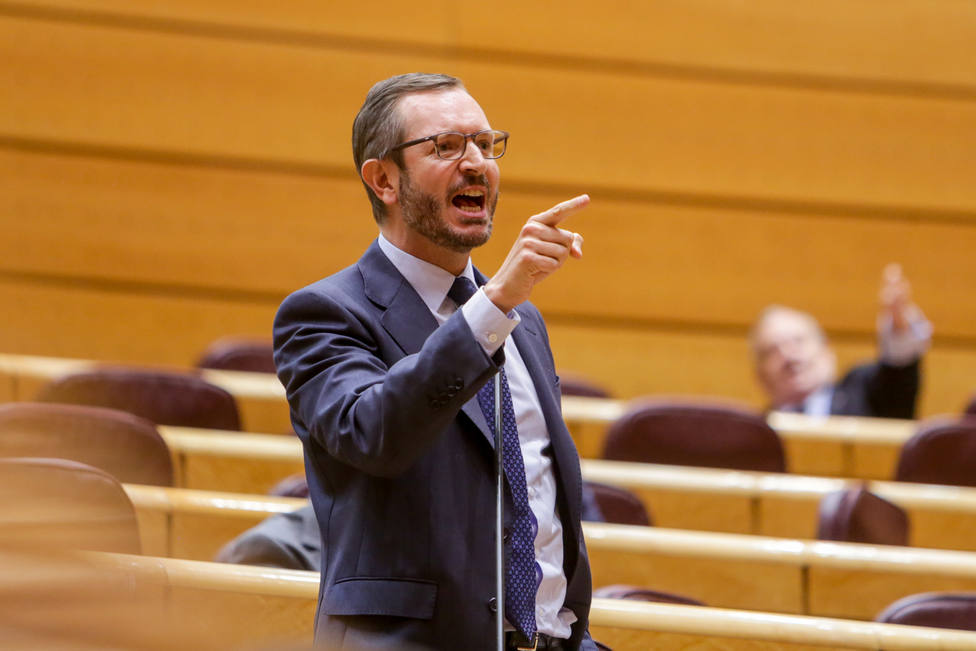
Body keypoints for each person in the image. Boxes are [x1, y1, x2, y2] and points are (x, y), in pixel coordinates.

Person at [272, 73, 597, 650]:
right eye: (446, 147)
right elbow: (373, 432)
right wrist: (493, 304)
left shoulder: (524, 325)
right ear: (384, 180)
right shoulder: (324, 313)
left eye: (485, 143)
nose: (476, 163)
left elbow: (541, 501)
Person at [750, 264, 931, 419]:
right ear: (761, 375)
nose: (789, 355)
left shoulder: (866, 393)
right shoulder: (752, 435)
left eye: (798, 341)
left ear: (826, 349)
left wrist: (899, 328)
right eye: (773, 350)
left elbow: (898, 372)